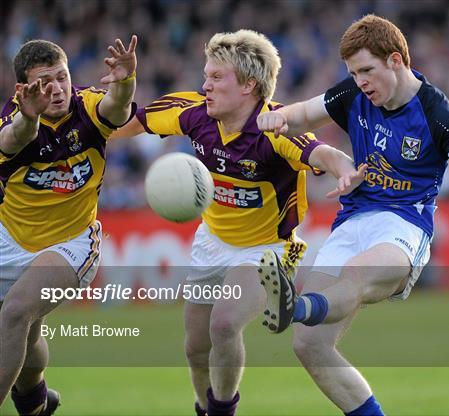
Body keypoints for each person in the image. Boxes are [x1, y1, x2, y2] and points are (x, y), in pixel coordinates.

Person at [256, 14, 449, 416]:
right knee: (309, 344)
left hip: (403, 227)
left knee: (354, 274)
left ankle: (294, 306)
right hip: (353, 220)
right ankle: (302, 317)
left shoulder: (438, 114)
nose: (360, 81)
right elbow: (303, 113)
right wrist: (278, 116)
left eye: (367, 70)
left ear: (396, 60)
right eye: (353, 73)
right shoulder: (353, 94)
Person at [113, 29, 363, 416]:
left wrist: (345, 170)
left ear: (248, 85)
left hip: (267, 249)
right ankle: (205, 406)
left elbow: (323, 153)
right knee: (196, 346)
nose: (205, 85)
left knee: (224, 324)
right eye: (206, 75)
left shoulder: (275, 128)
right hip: (211, 240)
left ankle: (222, 410)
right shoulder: (192, 112)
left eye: (216, 78)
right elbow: (123, 125)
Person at [0, 36, 137, 414]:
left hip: (72, 243)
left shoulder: (88, 107)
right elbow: (15, 138)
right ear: (24, 89)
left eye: (62, 77)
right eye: (46, 82)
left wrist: (125, 81)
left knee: (15, 313)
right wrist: (29, 116)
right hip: (9, 239)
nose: (57, 89)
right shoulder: (15, 117)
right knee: (24, 332)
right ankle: (35, 400)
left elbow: (117, 107)